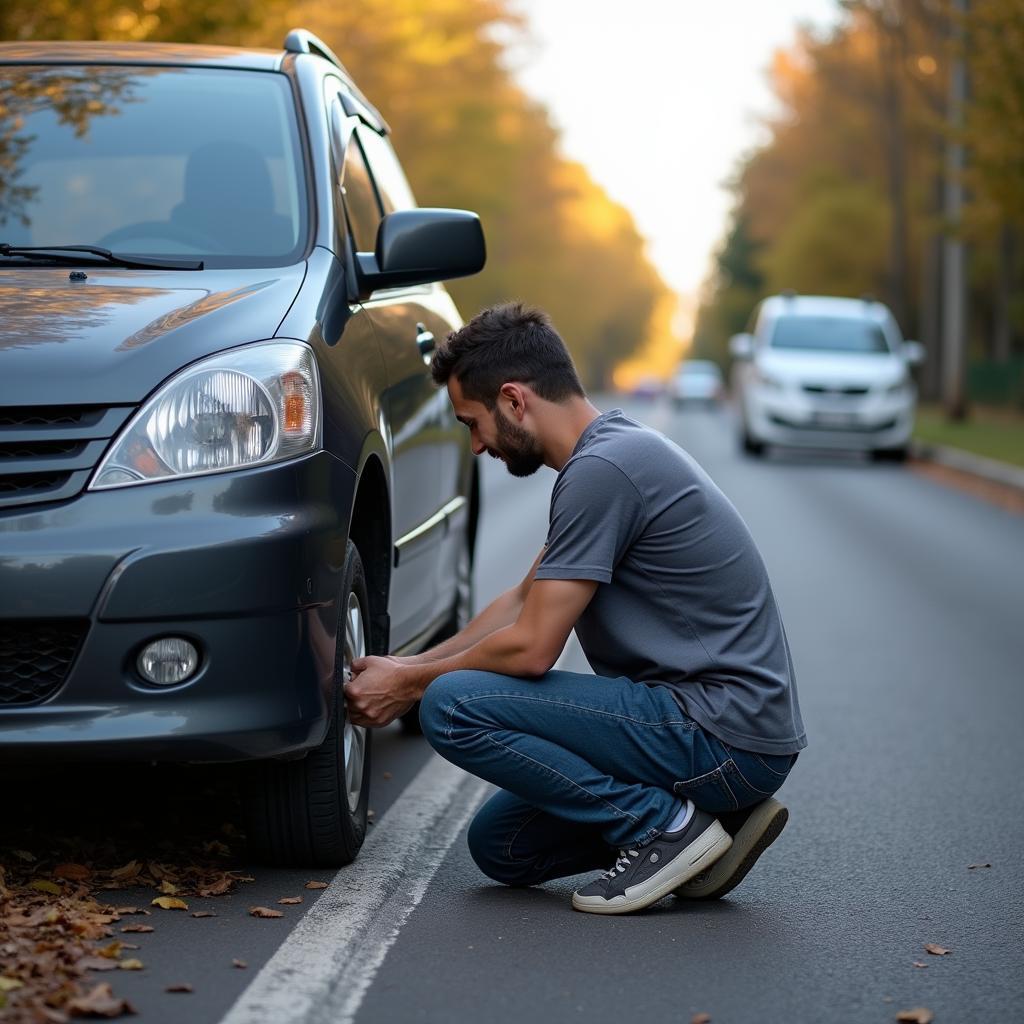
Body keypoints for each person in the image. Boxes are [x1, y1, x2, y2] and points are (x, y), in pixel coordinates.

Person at [345, 302, 806, 915]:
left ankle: (663, 828)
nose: (477, 446)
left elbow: (534, 648)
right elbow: (519, 603)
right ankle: (708, 821)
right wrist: (403, 664)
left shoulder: (604, 470)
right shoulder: (609, 457)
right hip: (717, 732)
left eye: (472, 422)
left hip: (720, 733)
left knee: (451, 706)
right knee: (502, 847)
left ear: (514, 400)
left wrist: (412, 686)